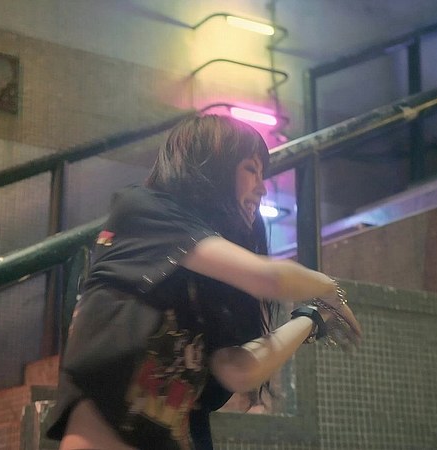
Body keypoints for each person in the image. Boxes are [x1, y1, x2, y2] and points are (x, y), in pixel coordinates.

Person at [46, 114, 362, 450]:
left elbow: (237, 370)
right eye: (251, 170)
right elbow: (267, 277)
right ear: (212, 167)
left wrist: (312, 317)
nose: (262, 187)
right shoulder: (142, 210)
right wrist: (328, 287)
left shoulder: (214, 277)